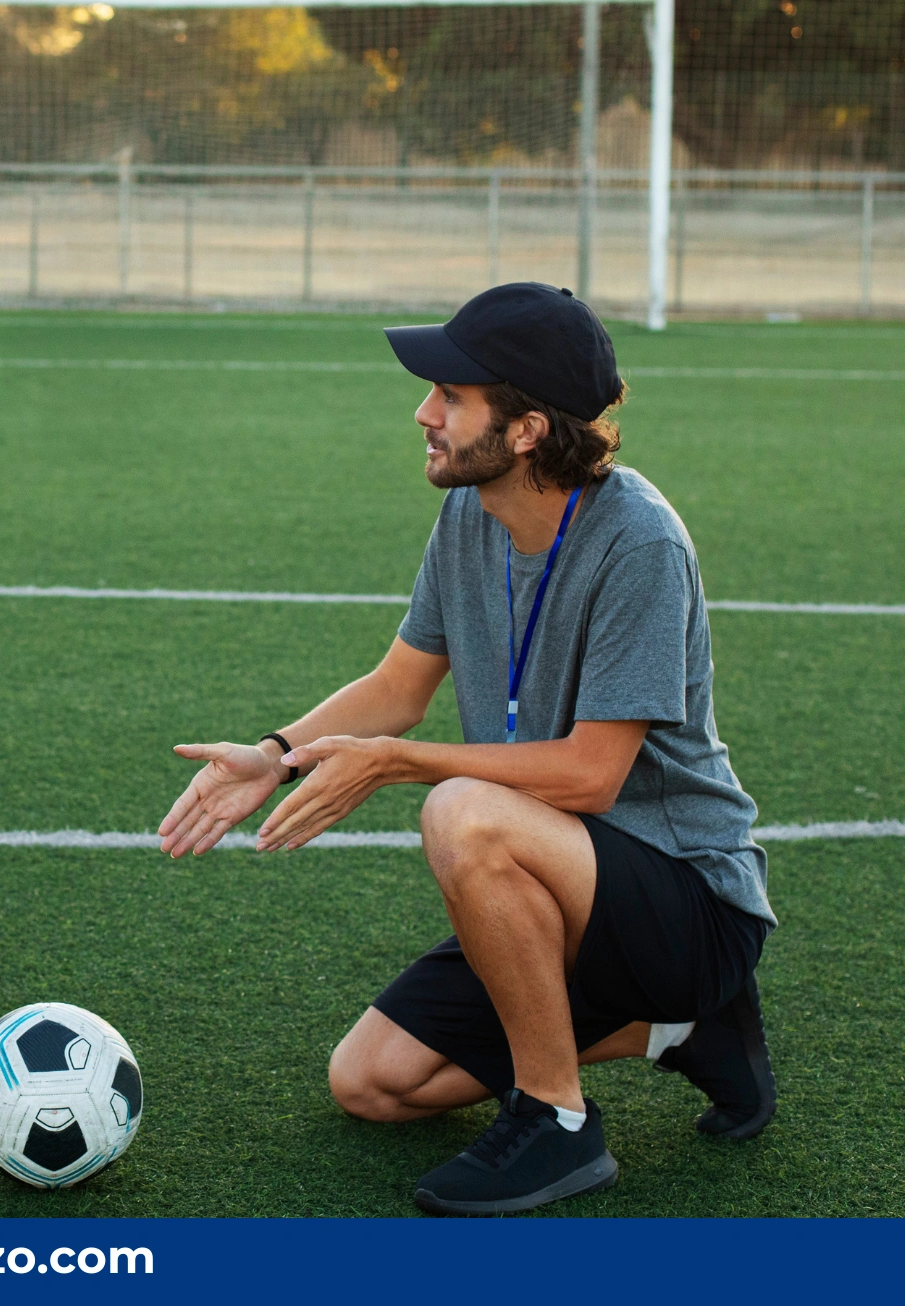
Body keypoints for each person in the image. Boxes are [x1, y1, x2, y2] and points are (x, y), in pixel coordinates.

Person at [157, 283, 778, 1216]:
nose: (424, 412)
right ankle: (677, 1034)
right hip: (561, 882)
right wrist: (276, 754)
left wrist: (402, 764)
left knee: (460, 810)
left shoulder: (637, 542)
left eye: (450, 396)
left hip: (683, 898)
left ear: (526, 429)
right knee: (369, 1083)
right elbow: (397, 688)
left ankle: (558, 1121)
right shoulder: (470, 515)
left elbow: (589, 773)